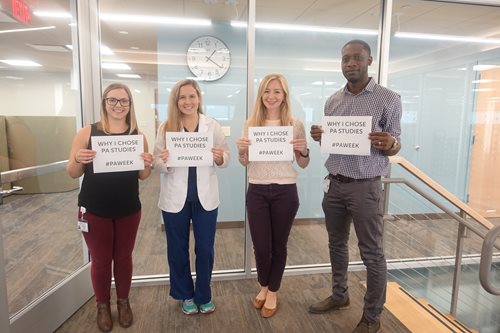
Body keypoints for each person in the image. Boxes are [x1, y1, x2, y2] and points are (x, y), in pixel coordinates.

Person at [308, 40, 402, 333]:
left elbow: (394, 143)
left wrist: (391, 144)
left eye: (357, 58)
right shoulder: (333, 101)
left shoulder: (389, 98)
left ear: (369, 60)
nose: (350, 63)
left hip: (365, 188)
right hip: (334, 184)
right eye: (346, 59)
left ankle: (372, 317)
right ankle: (340, 295)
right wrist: (319, 136)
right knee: (336, 244)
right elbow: (335, 142)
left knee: (371, 253)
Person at [67, 83, 153, 332]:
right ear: (104, 103)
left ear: (130, 105)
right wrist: (77, 159)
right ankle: (102, 305)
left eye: (123, 101)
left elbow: (143, 176)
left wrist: (147, 163)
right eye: (113, 100)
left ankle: (123, 302)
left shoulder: (137, 135)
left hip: (128, 207)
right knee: (102, 260)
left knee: (124, 258)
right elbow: (72, 173)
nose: (118, 105)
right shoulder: (87, 132)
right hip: (94, 208)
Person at [153, 79, 229, 315]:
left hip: (205, 198)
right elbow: (155, 162)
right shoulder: (166, 127)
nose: (187, 101)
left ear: (199, 98)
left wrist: (220, 158)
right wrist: (163, 161)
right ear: (176, 101)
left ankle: (204, 294)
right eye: (182, 97)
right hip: (175, 198)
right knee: (177, 249)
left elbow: (225, 155)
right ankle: (185, 294)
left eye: (191, 96)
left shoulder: (212, 125)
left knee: (205, 249)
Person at [236, 73, 310, 318]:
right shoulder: (250, 124)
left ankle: (272, 290)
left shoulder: (294, 124)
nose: (271, 96)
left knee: (279, 245)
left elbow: (303, 164)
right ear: (261, 95)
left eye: (277, 91)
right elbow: (245, 162)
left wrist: (304, 150)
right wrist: (242, 151)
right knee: (261, 246)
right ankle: (263, 284)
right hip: (256, 189)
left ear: (284, 95)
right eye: (267, 91)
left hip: (285, 191)